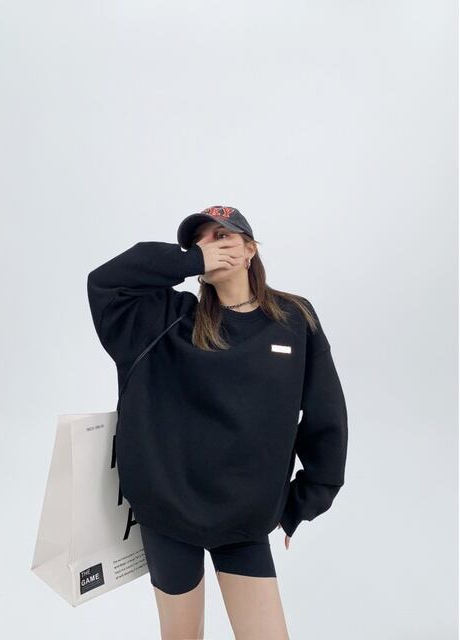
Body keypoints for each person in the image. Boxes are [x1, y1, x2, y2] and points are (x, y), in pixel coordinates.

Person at [87, 205, 348, 639]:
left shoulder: (293, 319)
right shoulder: (167, 319)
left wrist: (304, 501)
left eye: (223, 236)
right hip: (168, 514)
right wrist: (189, 261)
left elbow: (326, 414)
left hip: (245, 521)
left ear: (250, 250)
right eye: (201, 240)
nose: (211, 245)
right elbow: (106, 282)